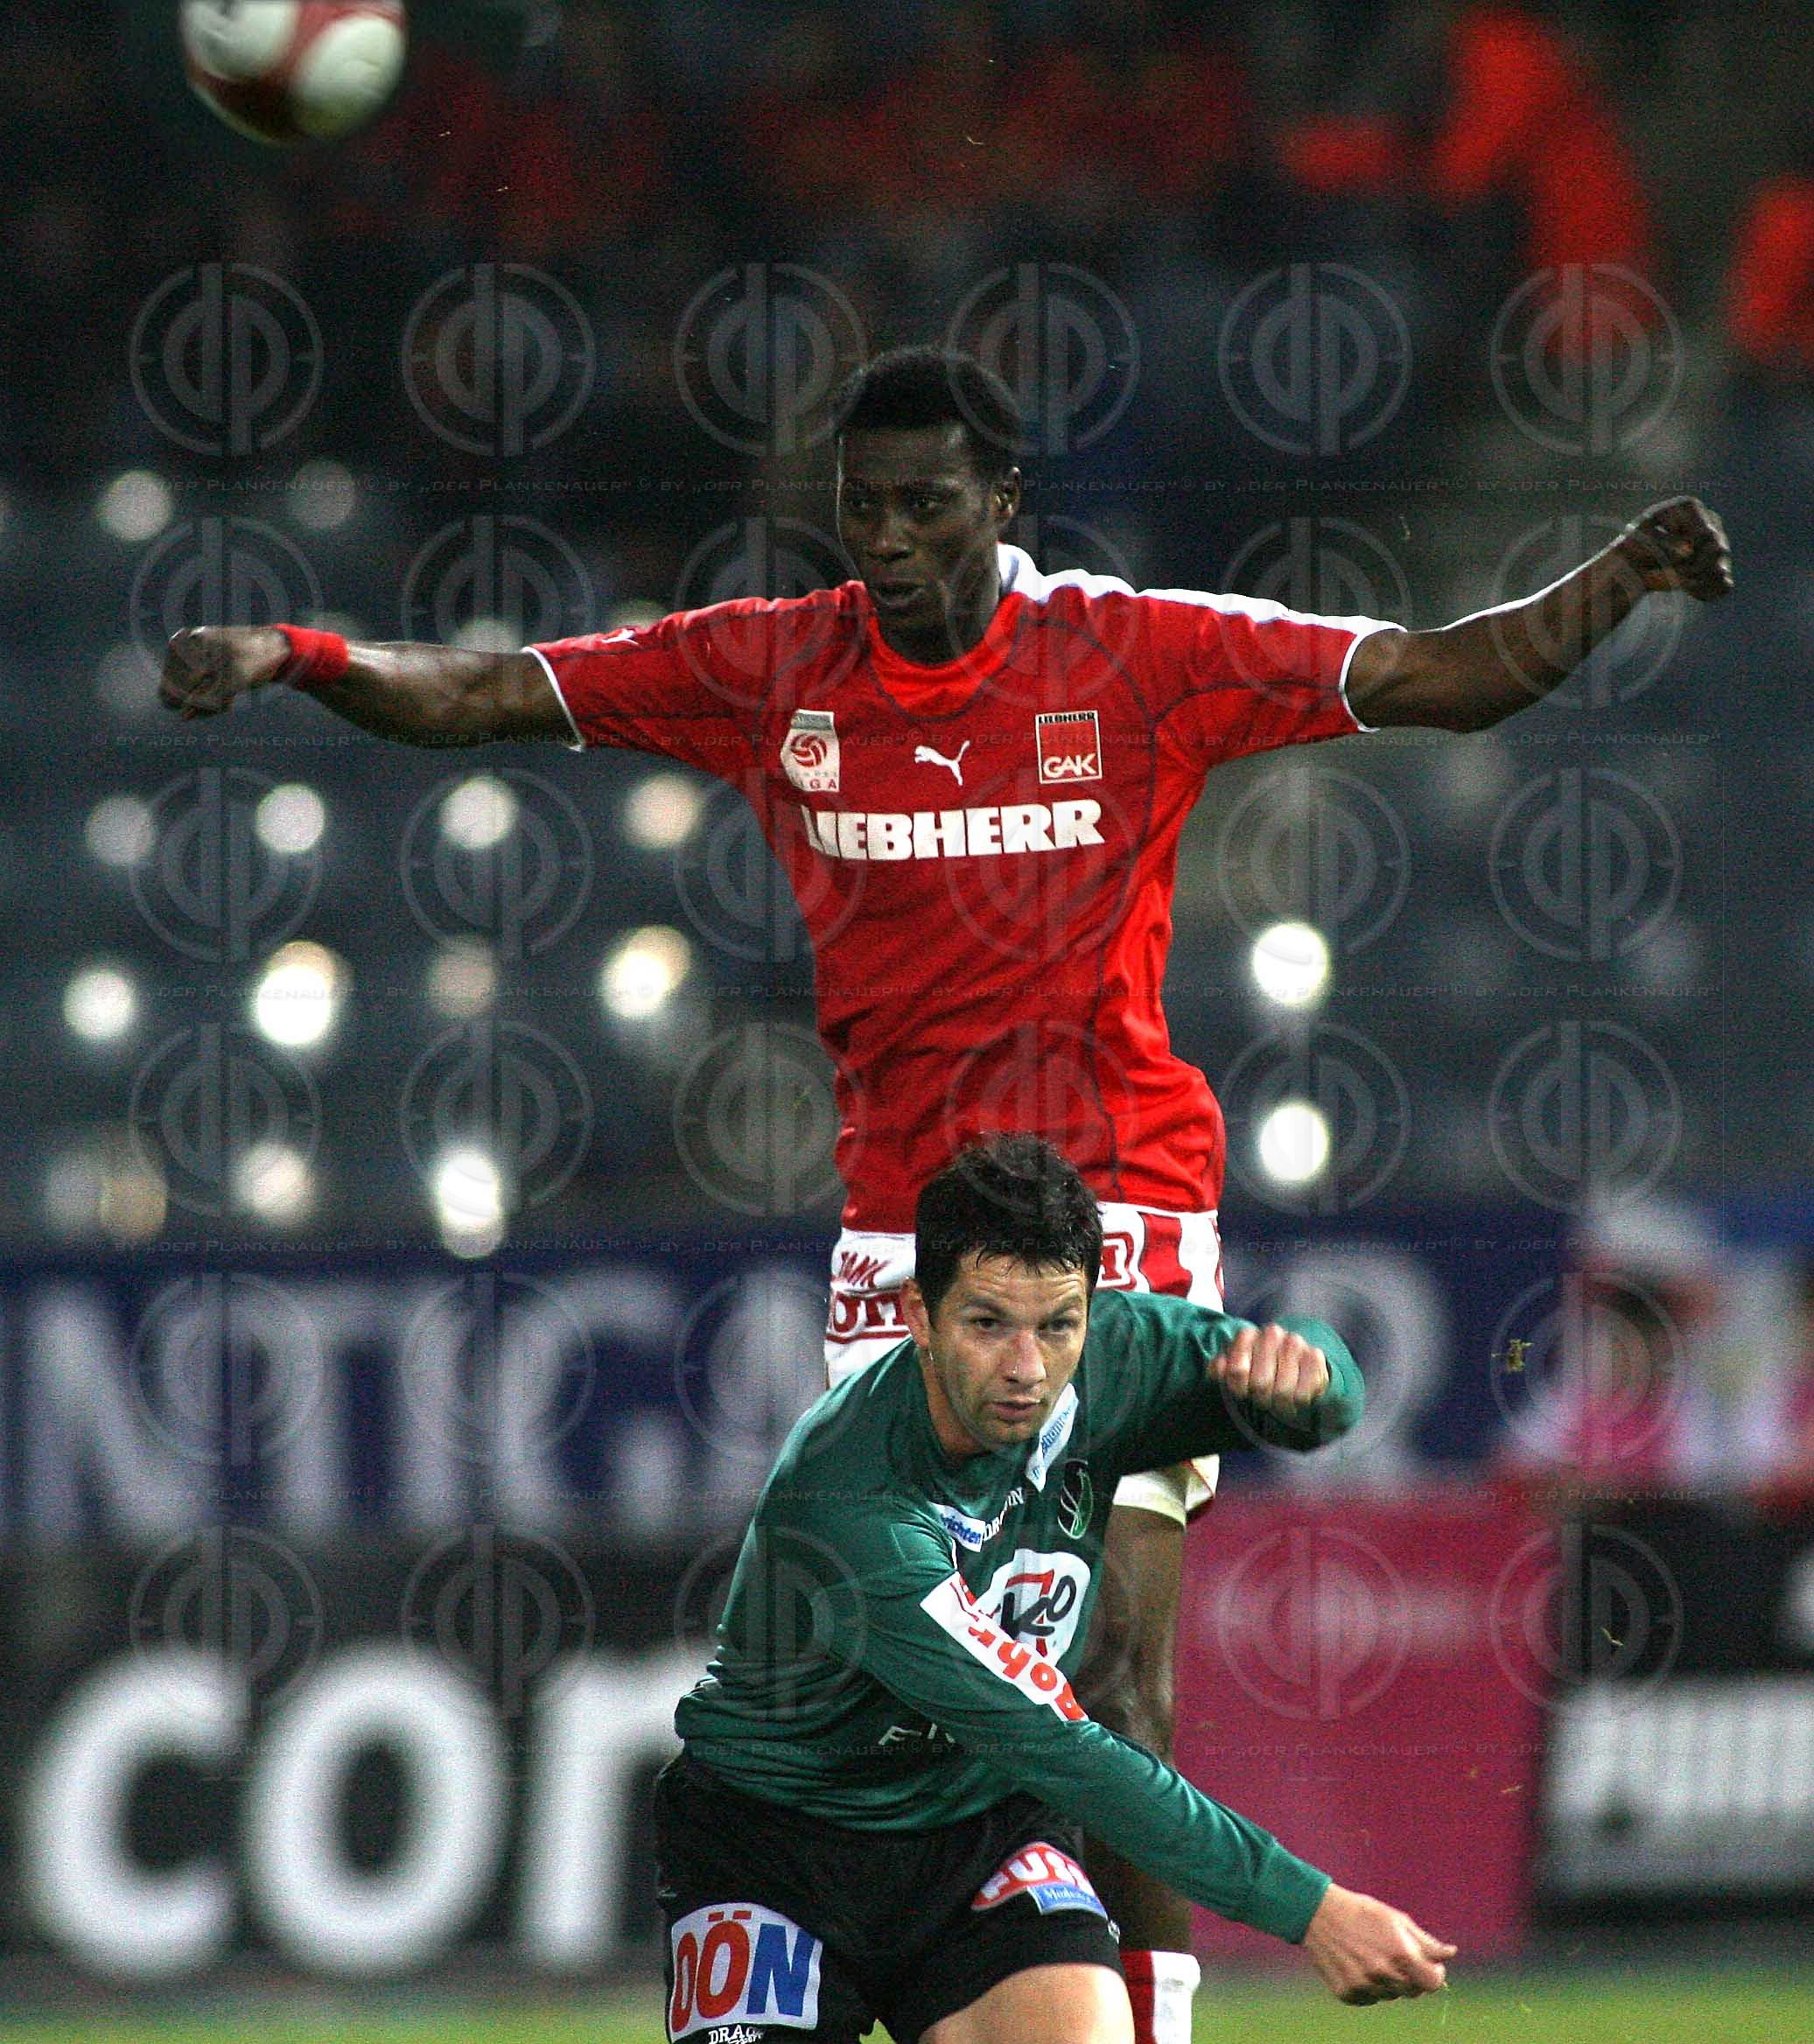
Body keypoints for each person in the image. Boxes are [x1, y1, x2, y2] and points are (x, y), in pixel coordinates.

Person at [161, 345, 1730, 2044]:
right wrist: (294, 657)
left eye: (925, 503)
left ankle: (1150, 2021)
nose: (887, 538)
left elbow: (1434, 674)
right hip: (901, 1243)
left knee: (1109, 1656)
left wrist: (1617, 577)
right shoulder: (770, 669)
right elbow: (480, 694)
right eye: (861, 506)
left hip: (1116, 1205)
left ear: (1004, 505)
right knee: (898, 1663)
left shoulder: (1131, 652)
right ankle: (867, 1972)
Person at [655, 1133, 1453, 2044]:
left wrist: (1313, 1381)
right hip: (776, 1845)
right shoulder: (852, 1504)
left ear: (1090, 1310)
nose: (1028, 1366)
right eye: (987, 1322)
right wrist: (1312, 1908)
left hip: (980, 1824)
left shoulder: (1113, 1358)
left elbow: (1316, 1376)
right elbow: (1062, 1746)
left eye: (1057, 1324)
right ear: (918, 1311)